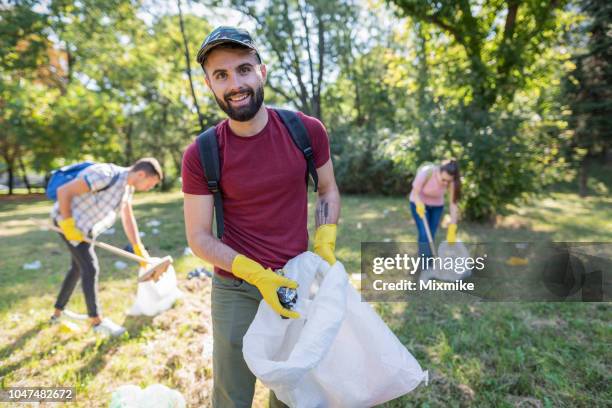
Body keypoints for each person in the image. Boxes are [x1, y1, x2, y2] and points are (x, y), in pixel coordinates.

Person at [182, 26, 341, 408]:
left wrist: (325, 241)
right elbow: (199, 237)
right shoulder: (201, 153)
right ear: (209, 84)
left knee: (290, 390)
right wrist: (254, 273)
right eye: (221, 75)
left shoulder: (306, 131)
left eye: (243, 69)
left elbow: (327, 189)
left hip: (296, 279)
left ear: (262, 72)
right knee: (231, 395)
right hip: (235, 288)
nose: (235, 83)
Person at [50, 158, 163, 336]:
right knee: (90, 267)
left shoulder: (126, 189)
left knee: (78, 268)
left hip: (84, 228)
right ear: (141, 174)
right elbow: (64, 192)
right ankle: (97, 323)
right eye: (150, 184)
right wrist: (69, 225)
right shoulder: (105, 174)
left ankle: (57, 313)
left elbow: (127, 218)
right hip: (66, 222)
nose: (149, 188)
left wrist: (138, 247)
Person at [409, 159, 461, 260]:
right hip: (419, 203)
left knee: (431, 233)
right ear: (439, 172)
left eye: (448, 181)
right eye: (443, 180)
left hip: (437, 206)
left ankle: (426, 256)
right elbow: (415, 193)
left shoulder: (452, 181)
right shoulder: (426, 173)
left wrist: (452, 228)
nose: (446, 183)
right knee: (424, 233)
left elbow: (453, 204)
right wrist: (419, 204)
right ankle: (425, 263)